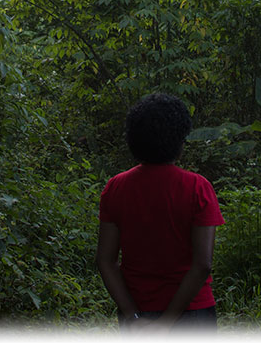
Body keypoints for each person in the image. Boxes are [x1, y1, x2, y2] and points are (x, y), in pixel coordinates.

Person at [96, 93, 225, 331]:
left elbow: (106, 260)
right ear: (179, 140)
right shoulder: (198, 188)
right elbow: (202, 264)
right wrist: (166, 323)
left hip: (137, 311)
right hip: (192, 313)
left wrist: (132, 316)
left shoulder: (115, 188)